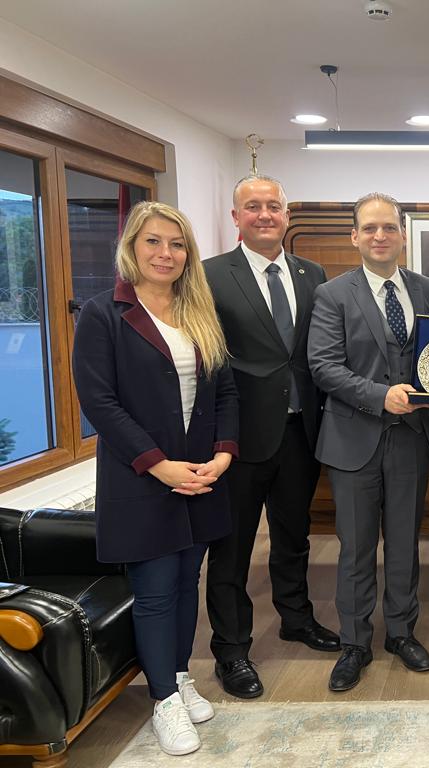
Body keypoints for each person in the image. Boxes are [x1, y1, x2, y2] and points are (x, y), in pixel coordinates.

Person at [73, 201, 238, 756]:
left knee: (188, 580)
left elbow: (226, 392)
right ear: (131, 247)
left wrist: (223, 453)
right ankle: (163, 698)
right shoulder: (103, 314)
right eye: (153, 241)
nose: (166, 253)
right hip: (142, 477)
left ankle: (179, 674)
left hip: (200, 474)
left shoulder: (200, 311)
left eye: (177, 243)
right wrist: (158, 465)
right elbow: (99, 402)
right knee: (155, 590)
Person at [203, 174, 337, 700]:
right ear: (236, 217)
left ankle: (296, 619)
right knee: (232, 548)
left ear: (287, 215)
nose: (264, 215)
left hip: (301, 431)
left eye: (273, 206)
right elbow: (208, 362)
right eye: (253, 206)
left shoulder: (312, 273)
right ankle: (231, 650)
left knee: (293, 536)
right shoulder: (210, 275)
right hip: (237, 440)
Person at [308, 192, 429, 692]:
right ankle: (355, 644)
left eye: (389, 227)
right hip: (352, 440)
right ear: (355, 236)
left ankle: (402, 633)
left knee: (405, 544)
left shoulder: (426, 288)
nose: (380, 236)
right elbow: (323, 366)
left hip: (410, 439)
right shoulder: (332, 294)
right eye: (370, 228)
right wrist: (380, 396)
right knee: (356, 549)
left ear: (403, 234)